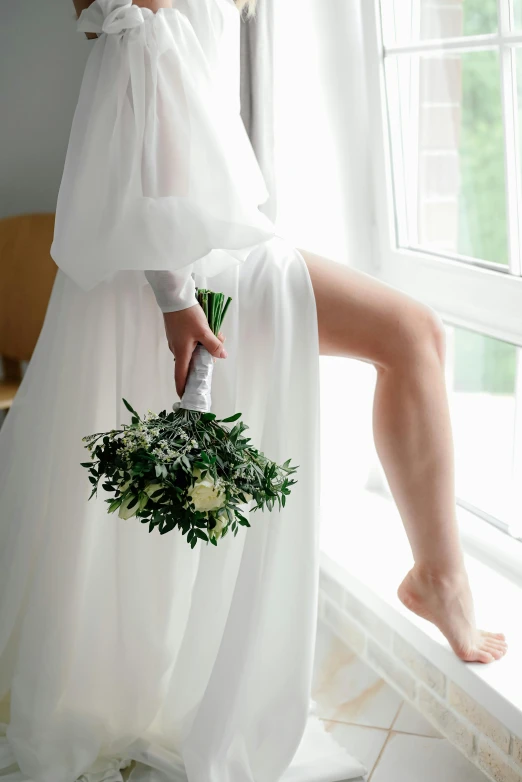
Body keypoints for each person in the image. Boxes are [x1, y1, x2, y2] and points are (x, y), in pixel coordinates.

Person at [0, 1, 506, 781]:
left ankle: (432, 578)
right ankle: (438, 579)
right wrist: (175, 298)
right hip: (191, 265)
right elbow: (137, 139)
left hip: (197, 254)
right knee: (412, 335)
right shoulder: (140, 11)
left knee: (419, 338)